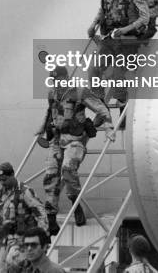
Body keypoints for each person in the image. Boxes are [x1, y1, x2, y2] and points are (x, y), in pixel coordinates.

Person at [87, 0, 150, 112]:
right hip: (109, 39)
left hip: (128, 40)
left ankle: (122, 100)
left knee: (117, 75)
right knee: (93, 69)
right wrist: (93, 25)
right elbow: (102, 11)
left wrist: (125, 29)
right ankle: (100, 104)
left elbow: (145, 17)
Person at [43, 90, 99, 233]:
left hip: (75, 141)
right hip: (57, 141)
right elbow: (50, 114)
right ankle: (51, 219)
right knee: (50, 176)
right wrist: (47, 128)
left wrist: (91, 123)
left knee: (67, 170)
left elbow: (99, 106)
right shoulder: (53, 95)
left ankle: (75, 204)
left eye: (59, 79)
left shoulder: (77, 95)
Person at [0, 162, 48, 273]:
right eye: (0, 180)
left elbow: (40, 212)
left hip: (22, 240)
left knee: (13, 264)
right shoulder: (2, 193)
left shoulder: (24, 191)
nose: (2, 183)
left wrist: (42, 236)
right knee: (0, 268)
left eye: (5, 179)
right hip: (7, 239)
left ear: (12, 175)